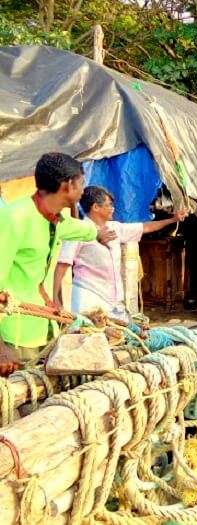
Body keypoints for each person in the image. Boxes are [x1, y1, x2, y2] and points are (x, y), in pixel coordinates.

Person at [0, 153, 114, 374]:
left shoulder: (54, 219)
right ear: (68, 185)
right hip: (15, 337)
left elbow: (78, 228)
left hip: (45, 328)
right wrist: (1, 349)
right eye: (81, 182)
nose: (83, 189)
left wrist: (98, 233)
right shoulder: (13, 218)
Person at [53, 186, 187, 322]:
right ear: (95, 207)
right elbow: (63, 265)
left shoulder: (115, 228)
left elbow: (145, 227)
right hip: (88, 298)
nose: (113, 208)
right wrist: (56, 300)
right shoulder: (78, 232)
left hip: (113, 302)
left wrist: (172, 220)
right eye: (109, 205)